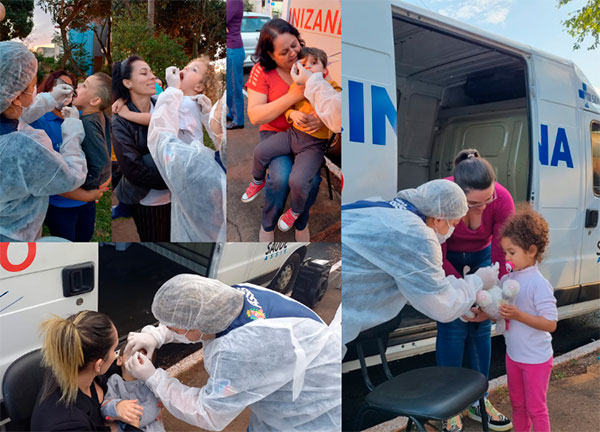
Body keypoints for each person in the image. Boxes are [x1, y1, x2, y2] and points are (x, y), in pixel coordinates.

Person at [123, 274, 341, 431]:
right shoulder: (232, 296)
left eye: (172, 327)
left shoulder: (239, 352)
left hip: (304, 414)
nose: (169, 328)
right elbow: (195, 320)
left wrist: (154, 378)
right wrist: (157, 336)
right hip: (297, 374)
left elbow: (208, 412)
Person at [342, 179, 500, 350]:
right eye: (453, 224)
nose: (452, 230)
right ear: (439, 219)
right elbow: (442, 306)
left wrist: (461, 293)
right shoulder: (417, 235)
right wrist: (478, 281)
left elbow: (424, 283)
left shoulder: (381, 207)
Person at [437, 149, 515, 432]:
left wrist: (489, 300)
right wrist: (464, 294)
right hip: (449, 261)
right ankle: (450, 405)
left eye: (488, 199)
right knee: (452, 328)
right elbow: (437, 255)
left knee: (481, 331)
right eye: (473, 203)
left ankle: (479, 400)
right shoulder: (443, 198)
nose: (482, 207)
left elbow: (502, 251)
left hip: (485, 261)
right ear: (458, 194)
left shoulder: (502, 199)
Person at [242, 47, 341, 232]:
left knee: (298, 181)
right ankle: (257, 180)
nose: (308, 68)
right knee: (260, 151)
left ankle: (295, 211)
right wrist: (292, 114)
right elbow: (288, 107)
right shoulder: (297, 86)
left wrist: (322, 119)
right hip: (293, 135)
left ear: (325, 69)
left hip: (313, 146)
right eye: (303, 64)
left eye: (313, 63)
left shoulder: (332, 87)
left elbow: (336, 113)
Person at [0, 41, 88, 242]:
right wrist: (72, 129)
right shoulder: (26, 146)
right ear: (15, 97)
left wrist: (50, 98)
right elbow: (72, 176)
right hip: (13, 234)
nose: (35, 89)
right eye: (32, 85)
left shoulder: (6, 114)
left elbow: (18, 115)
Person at [246, 18, 323, 242]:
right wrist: (292, 97)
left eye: (294, 45)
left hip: (308, 136)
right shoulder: (262, 71)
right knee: (280, 178)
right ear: (270, 55)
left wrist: (320, 119)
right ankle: (268, 225)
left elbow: (329, 96)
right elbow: (255, 115)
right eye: (283, 51)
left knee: (312, 181)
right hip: (276, 133)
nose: (292, 53)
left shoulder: (310, 61)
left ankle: (300, 222)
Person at [144, 66, 226, 241]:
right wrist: (207, 117)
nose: (186, 68)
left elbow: (160, 135)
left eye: (194, 69)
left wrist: (172, 90)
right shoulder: (222, 162)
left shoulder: (197, 167)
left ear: (198, 87)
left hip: (181, 166)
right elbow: (221, 140)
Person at [31, 311, 144, 431]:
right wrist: (133, 426)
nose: (115, 355)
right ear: (99, 364)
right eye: (113, 350)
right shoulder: (67, 424)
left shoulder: (73, 366)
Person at [498, 205, 556, 432]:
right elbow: (500, 306)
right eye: (505, 252)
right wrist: (484, 312)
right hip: (513, 355)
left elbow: (550, 323)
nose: (506, 258)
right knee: (518, 405)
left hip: (536, 360)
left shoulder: (538, 284)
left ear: (531, 251)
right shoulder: (509, 278)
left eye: (511, 252)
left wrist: (518, 315)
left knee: (536, 408)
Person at [111, 56, 170, 241]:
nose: (152, 76)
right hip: (149, 201)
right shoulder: (120, 121)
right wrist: (172, 180)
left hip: (178, 198)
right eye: (144, 73)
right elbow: (133, 169)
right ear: (127, 82)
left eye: (151, 72)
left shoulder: (163, 106)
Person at [101, 343, 164, 432]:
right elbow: (105, 407)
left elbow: (153, 409)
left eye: (143, 357)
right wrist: (116, 407)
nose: (137, 357)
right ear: (119, 360)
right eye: (132, 353)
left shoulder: (149, 383)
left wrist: (123, 422)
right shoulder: (114, 381)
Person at [226, 0, 244, 130]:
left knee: (235, 87)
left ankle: (239, 120)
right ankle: (232, 114)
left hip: (233, 48)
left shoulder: (234, 1)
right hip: (231, 48)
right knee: (230, 86)